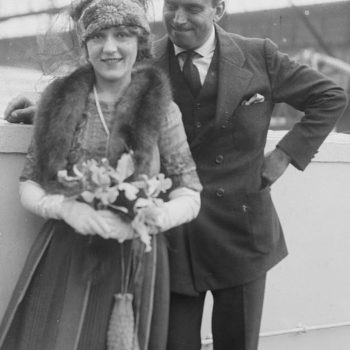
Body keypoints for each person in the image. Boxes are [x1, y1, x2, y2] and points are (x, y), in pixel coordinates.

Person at [4, 0, 349, 350]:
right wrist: (41, 108)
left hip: (242, 234)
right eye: (171, 6)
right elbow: (96, 87)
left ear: (218, 9)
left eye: (193, 8)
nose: (178, 18)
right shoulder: (145, 57)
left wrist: (284, 155)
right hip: (175, 240)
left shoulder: (259, 54)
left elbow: (330, 96)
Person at [0, 1, 202, 350]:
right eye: (98, 37)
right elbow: (29, 185)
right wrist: (67, 209)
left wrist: (155, 218)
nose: (110, 48)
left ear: (139, 42)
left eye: (122, 35)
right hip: (68, 254)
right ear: (85, 46)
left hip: (136, 261)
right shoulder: (61, 100)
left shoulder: (162, 109)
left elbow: (190, 194)